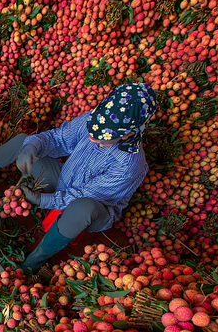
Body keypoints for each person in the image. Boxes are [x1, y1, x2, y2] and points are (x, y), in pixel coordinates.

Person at [16, 83, 159, 273]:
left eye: (102, 137)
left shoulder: (128, 164)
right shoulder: (95, 119)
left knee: (82, 208)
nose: (92, 138)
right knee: (25, 141)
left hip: (95, 208)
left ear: (128, 134)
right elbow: (59, 138)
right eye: (93, 130)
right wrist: (32, 146)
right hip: (66, 181)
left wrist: (43, 200)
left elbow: (83, 194)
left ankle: (35, 260)